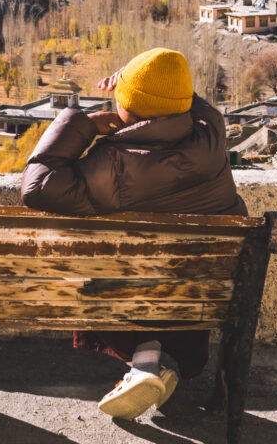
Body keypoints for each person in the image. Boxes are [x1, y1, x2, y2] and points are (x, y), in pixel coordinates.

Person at [20, 47, 246, 420]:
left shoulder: (112, 164)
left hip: (131, 296)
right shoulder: (211, 131)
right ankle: (154, 360)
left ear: (129, 108)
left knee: (107, 270)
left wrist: (85, 123)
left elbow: (36, 186)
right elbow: (190, 102)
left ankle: (145, 357)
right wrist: (145, 82)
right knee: (176, 270)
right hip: (206, 292)